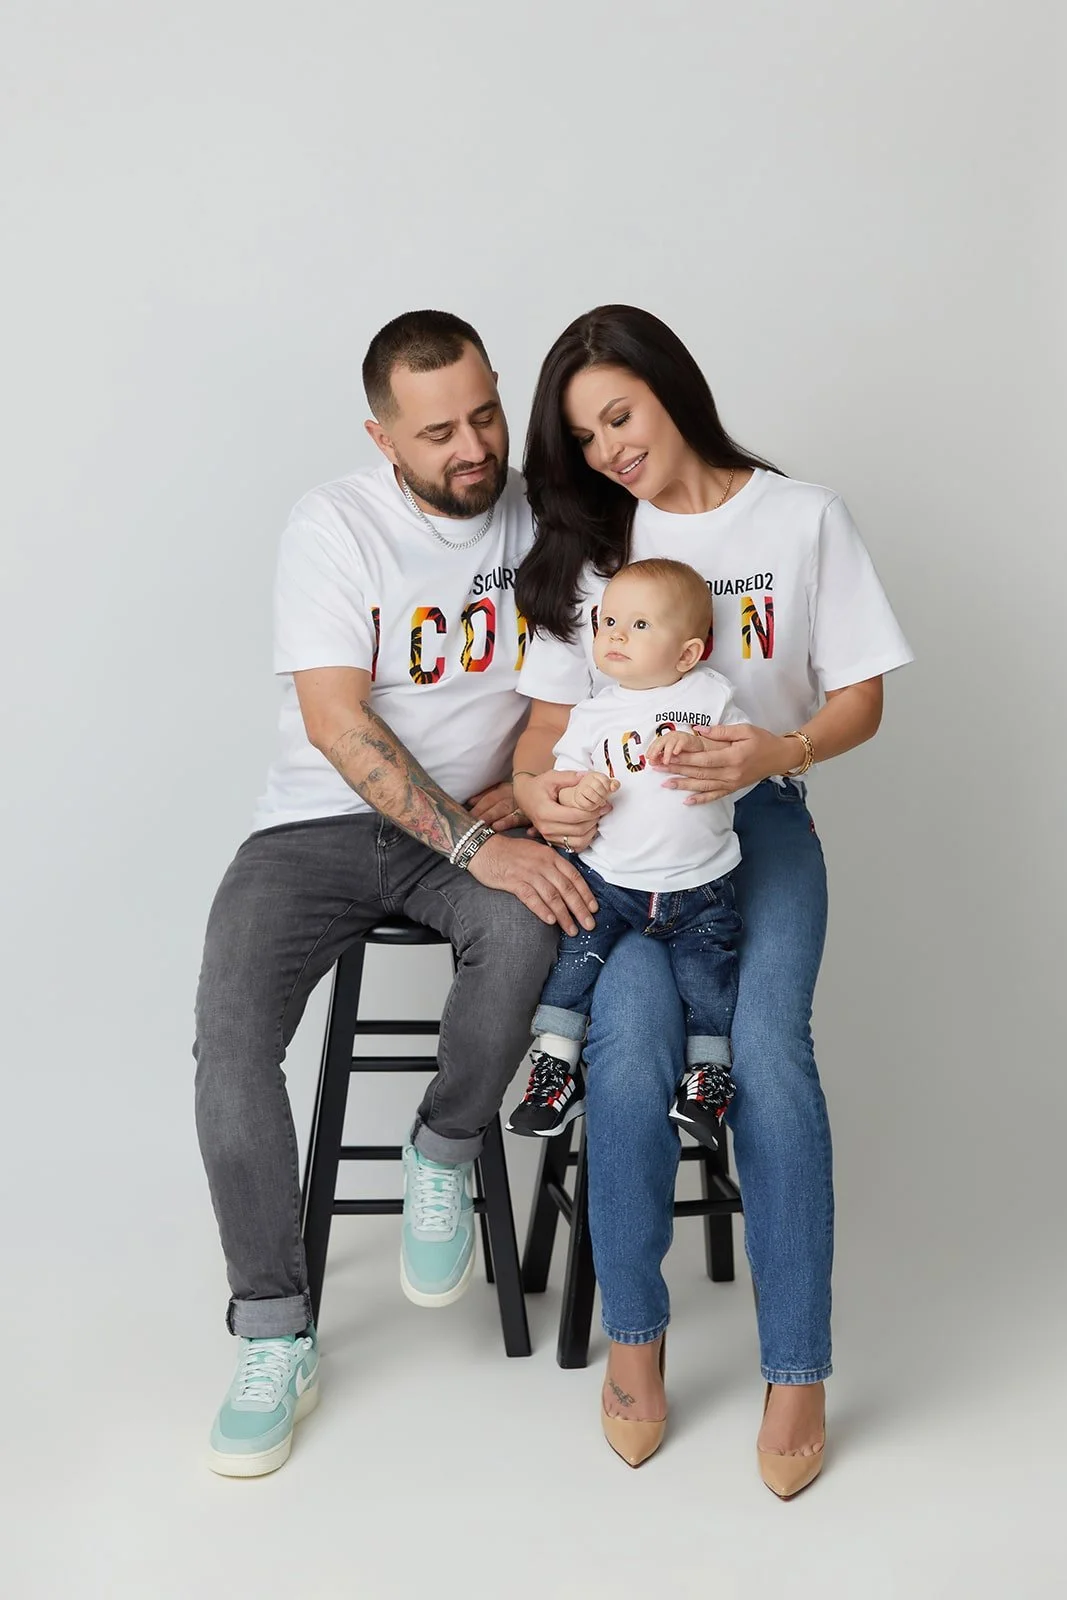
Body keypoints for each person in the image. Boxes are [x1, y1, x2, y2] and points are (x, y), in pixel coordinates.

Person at [512, 304, 912, 1488]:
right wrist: (546, 800)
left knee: (770, 1053)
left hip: (758, 827)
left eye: (619, 416)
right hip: (620, 853)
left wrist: (777, 752)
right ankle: (634, 1342)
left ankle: (797, 1368)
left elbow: (859, 696)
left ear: (670, 388)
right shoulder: (593, 545)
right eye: (585, 437)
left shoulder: (799, 518)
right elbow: (543, 734)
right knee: (629, 1043)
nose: (608, 450)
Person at [194, 309, 597, 1478]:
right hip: (314, 828)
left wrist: (524, 794)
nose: (472, 448)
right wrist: (471, 839)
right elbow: (335, 720)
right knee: (230, 1044)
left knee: (534, 923)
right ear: (381, 436)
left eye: (484, 415)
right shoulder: (333, 524)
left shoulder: (547, 514)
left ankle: (443, 1141)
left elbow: (590, 676)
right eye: (436, 433)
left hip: (471, 826)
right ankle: (274, 1333)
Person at [506, 557, 748, 1153]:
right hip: (611, 882)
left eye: (639, 625)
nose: (615, 635)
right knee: (572, 964)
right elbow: (564, 782)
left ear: (688, 654)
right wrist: (581, 792)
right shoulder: (593, 713)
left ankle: (706, 1077)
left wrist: (697, 748)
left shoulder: (712, 698)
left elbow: (743, 768)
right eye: (608, 621)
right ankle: (555, 1069)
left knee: (708, 980)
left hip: (699, 887)